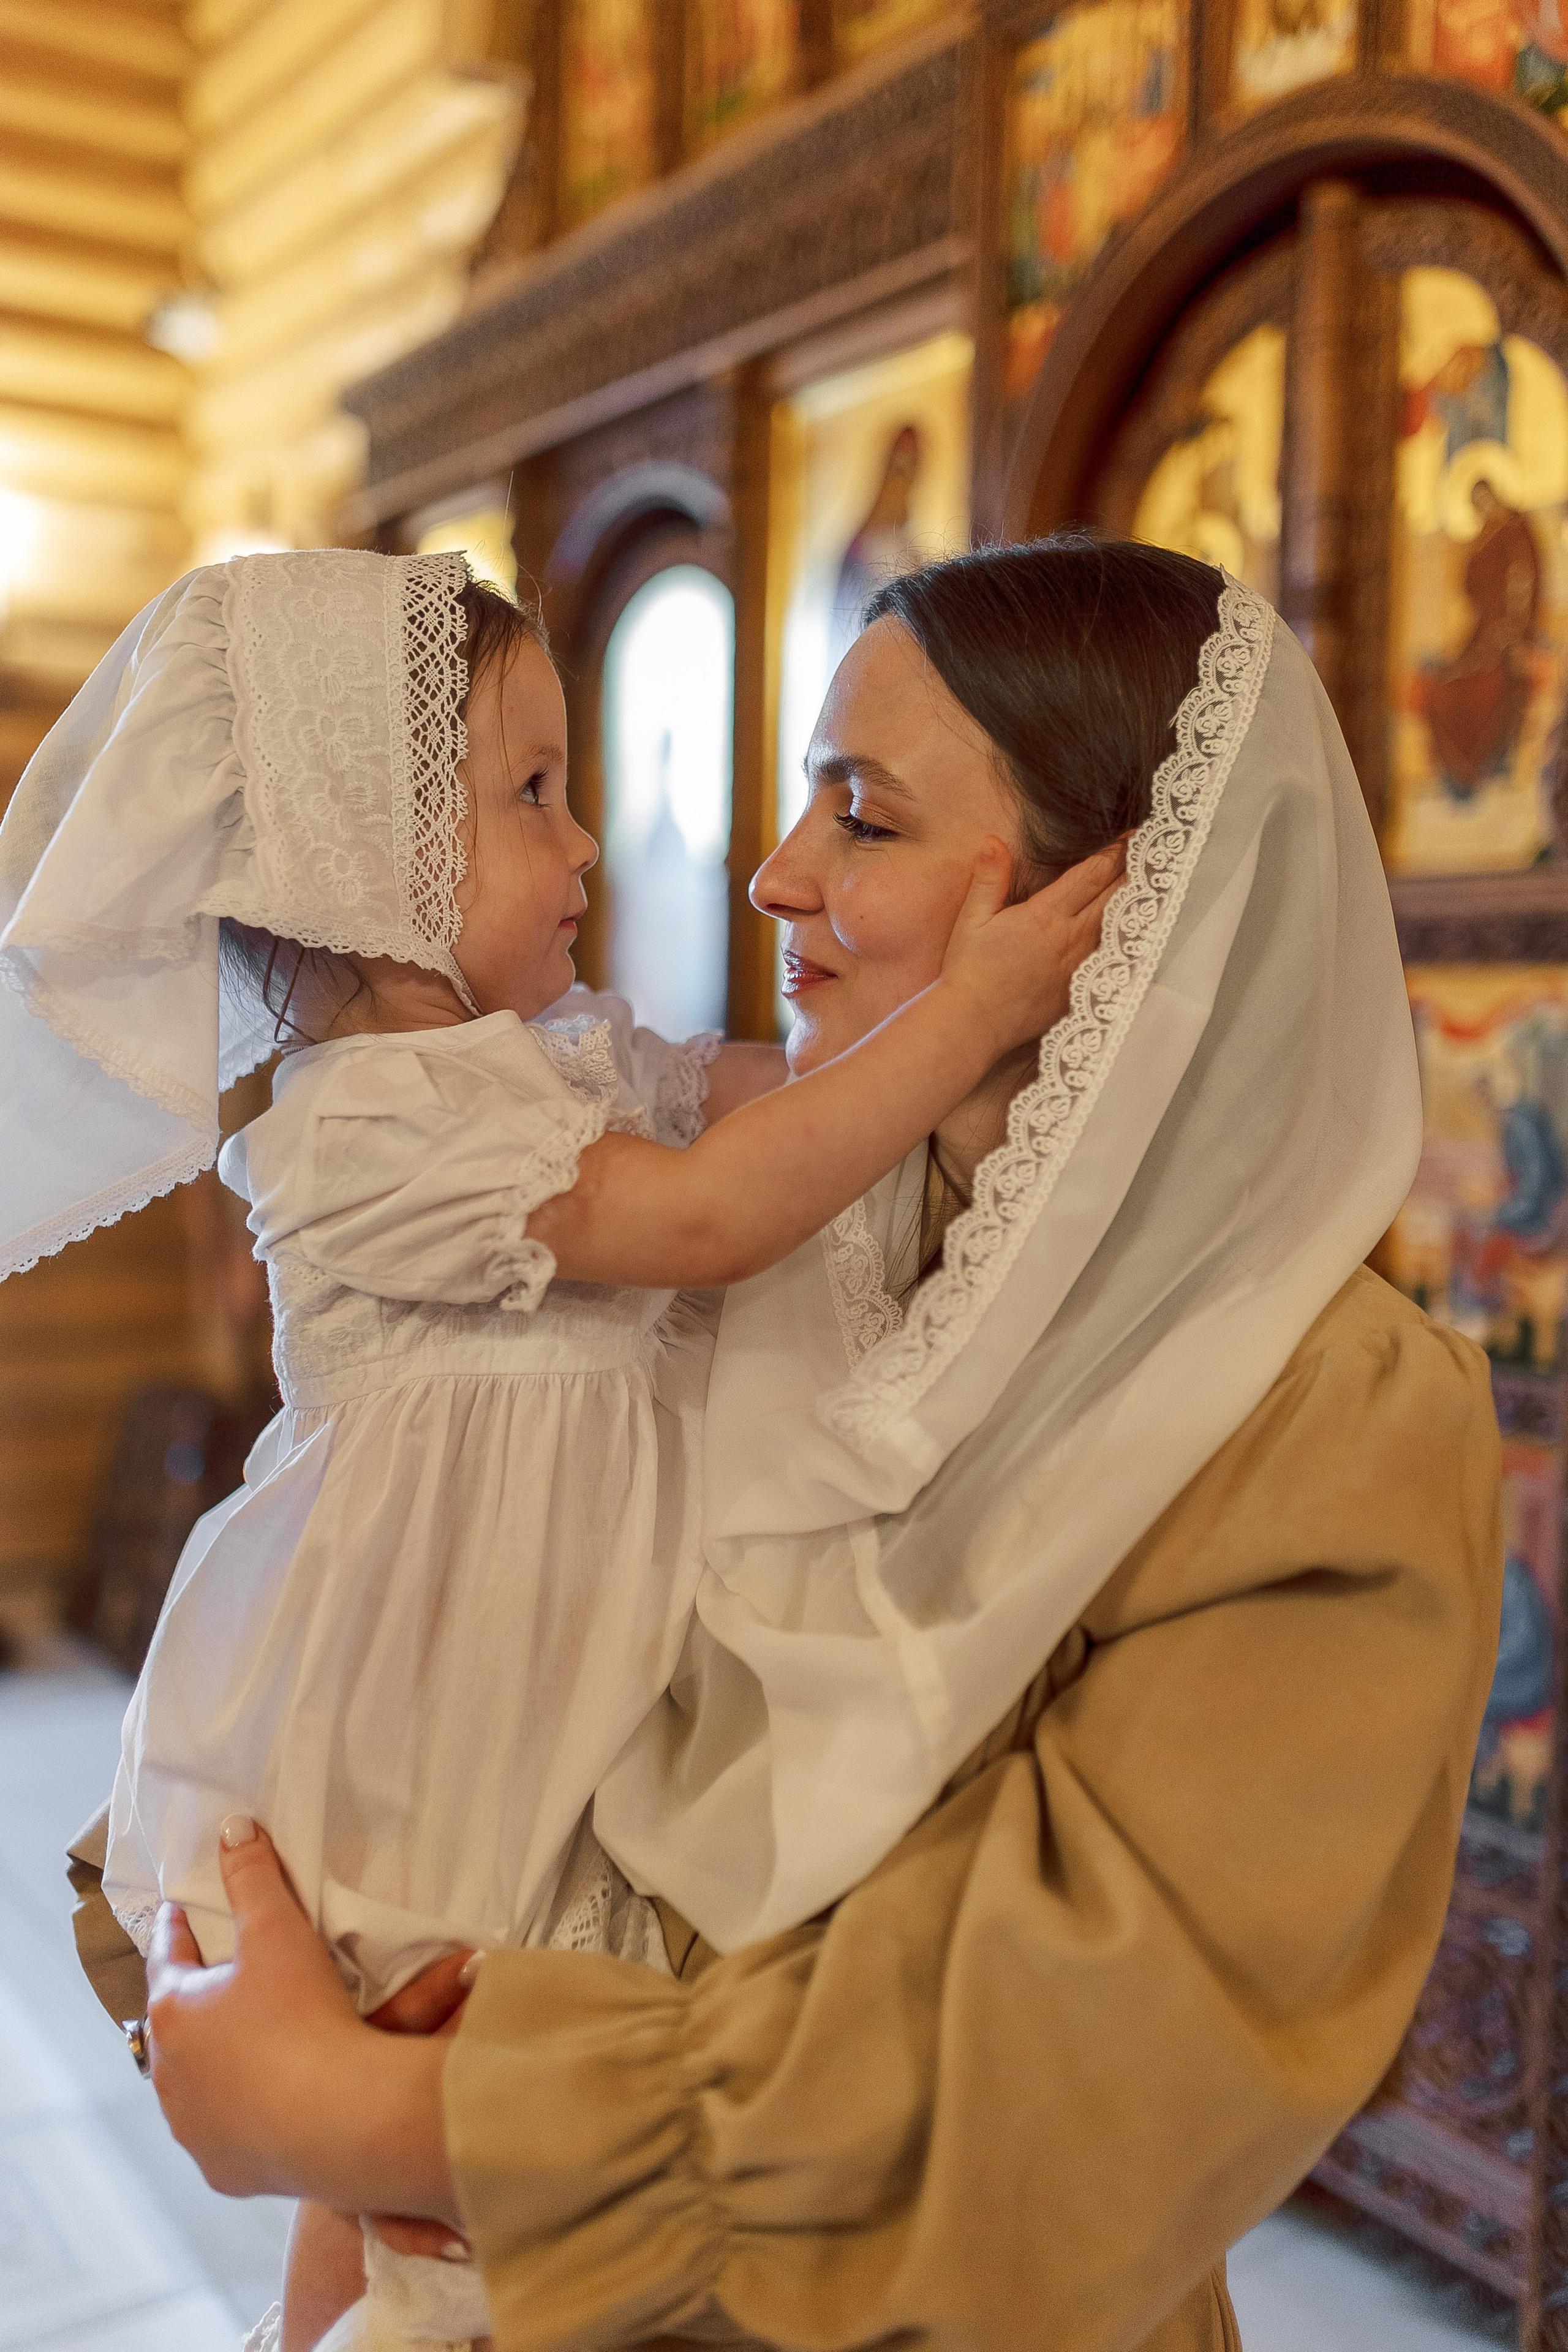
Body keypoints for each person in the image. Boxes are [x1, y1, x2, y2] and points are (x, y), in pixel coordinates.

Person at [74, 540, 1501, 2352]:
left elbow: (1090, 2063)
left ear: (1121, 905)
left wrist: (377, 2115)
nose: (773, 874)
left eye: (868, 819)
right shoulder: (775, 1248)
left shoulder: (1334, 1421)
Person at [0, 546, 1118, 2352]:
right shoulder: (365, 1120)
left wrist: (1001, 1024)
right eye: (530, 795)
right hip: (431, 1697)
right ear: (361, 868)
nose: (585, 843)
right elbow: (706, 1215)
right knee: (394, 2155)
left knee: (425, 2170)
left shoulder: (560, 1059)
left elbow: (770, 1094)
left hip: (551, 1670)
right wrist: (977, 1010)